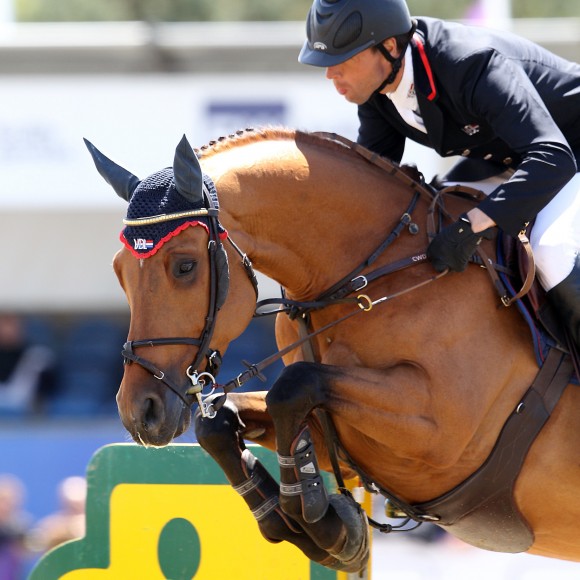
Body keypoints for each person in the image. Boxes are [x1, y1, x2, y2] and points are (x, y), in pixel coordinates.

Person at [298, 0, 580, 356]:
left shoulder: (470, 64)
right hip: (514, 158)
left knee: (550, 251)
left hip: (565, 150)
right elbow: (370, 179)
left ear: (389, 46)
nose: (330, 73)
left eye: (344, 59)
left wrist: (475, 223)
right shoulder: (377, 90)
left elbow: (553, 157)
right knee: (434, 215)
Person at [0, 313, 57, 415]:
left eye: (12, 326)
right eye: (3, 327)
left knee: (37, 358)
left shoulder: (33, 352)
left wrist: (39, 396)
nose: (7, 331)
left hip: (22, 396)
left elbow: (51, 381)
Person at [27, 476, 86, 554]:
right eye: (69, 506)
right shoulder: (50, 526)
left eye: (77, 506)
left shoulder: (96, 526)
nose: (73, 511)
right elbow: (33, 546)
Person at [0, 475, 31, 580]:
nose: (6, 505)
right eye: (3, 500)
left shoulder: (21, 527)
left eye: (10, 501)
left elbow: (28, 552)